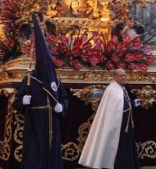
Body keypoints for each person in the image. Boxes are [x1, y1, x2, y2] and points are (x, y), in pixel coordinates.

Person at [13, 14, 68, 169]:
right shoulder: (30, 79)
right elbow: (16, 103)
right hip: (35, 122)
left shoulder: (55, 80)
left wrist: (62, 107)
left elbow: (64, 98)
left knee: (51, 151)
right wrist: (22, 101)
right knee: (35, 152)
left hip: (52, 122)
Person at [79, 69, 140, 169]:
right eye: (121, 76)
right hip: (116, 124)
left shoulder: (121, 88)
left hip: (125, 123)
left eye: (125, 75)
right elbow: (111, 111)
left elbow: (125, 103)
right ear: (115, 76)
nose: (123, 77)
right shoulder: (112, 89)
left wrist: (134, 103)